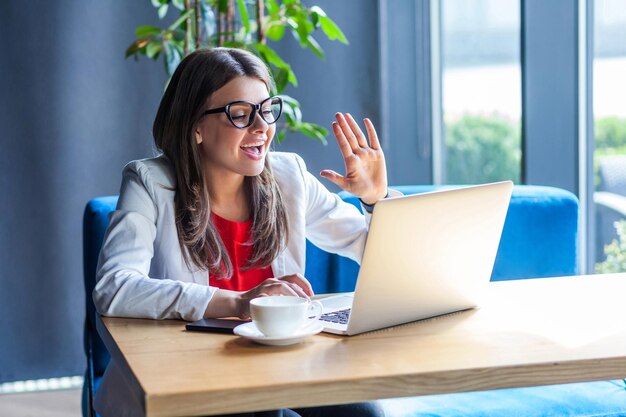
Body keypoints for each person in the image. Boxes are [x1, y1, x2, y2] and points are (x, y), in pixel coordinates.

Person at [93, 47, 392, 417]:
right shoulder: (149, 182)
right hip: (185, 373)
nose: (262, 128)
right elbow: (115, 288)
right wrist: (237, 302)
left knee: (366, 414)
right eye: (240, 114)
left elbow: (377, 252)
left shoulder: (289, 177)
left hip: (277, 365)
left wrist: (375, 201)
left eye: (267, 110)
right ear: (195, 126)